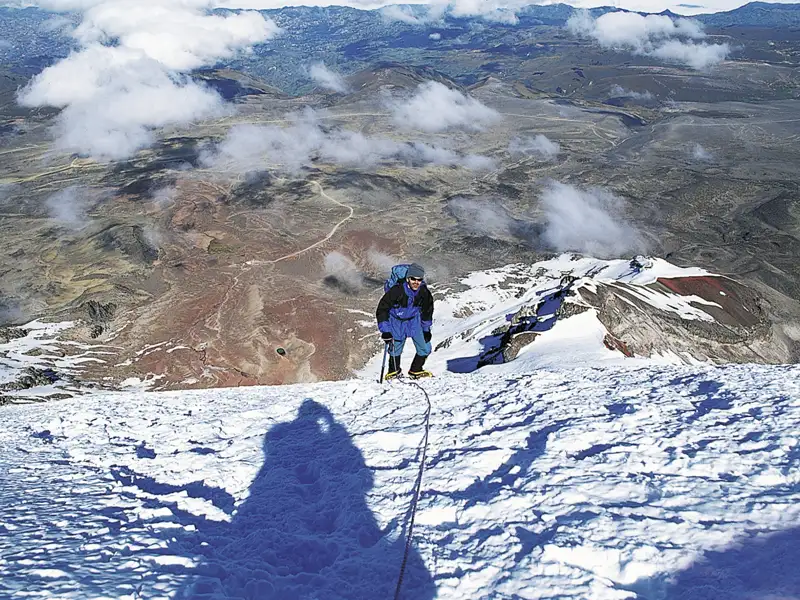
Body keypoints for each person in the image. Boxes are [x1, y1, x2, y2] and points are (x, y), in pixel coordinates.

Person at [376, 263, 434, 380]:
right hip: (396, 321)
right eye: (413, 279)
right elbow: (382, 309)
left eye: (419, 280)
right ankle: (393, 372)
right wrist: (386, 330)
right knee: (395, 348)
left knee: (425, 347)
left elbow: (427, 311)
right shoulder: (396, 291)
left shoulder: (423, 292)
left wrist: (426, 330)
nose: (416, 282)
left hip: (414, 321)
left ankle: (416, 370)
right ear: (408, 279)